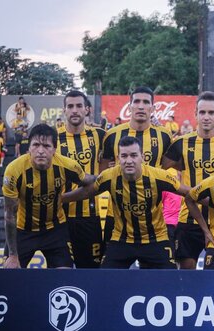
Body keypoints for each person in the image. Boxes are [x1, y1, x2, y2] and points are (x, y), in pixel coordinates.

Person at [63, 136, 190, 269]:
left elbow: (189, 192)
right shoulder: (109, 176)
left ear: (143, 157)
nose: (129, 161)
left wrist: (209, 198)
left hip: (156, 238)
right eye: (124, 156)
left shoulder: (159, 176)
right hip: (122, 239)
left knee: (169, 282)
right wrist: (60, 199)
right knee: (104, 281)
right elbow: (86, 192)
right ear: (118, 158)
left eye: (134, 155)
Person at [162, 91, 214, 270]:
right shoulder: (181, 144)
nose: (206, 117)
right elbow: (158, 169)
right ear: (195, 114)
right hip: (189, 218)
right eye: (202, 112)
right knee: (186, 267)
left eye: (211, 113)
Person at [2, 124, 94, 269]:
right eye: (36, 145)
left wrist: (65, 198)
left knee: (64, 277)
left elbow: (90, 184)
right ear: (29, 148)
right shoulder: (14, 171)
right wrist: (13, 255)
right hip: (23, 230)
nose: (40, 151)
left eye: (46, 146)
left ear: (54, 150)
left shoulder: (68, 166)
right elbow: (9, 215)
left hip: (55, 229)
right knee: (11, 272)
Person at [101, 86, 172, 246]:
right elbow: (102, 171)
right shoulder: (112, 135)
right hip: (117, 216)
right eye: (137, 102)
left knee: (155, 271)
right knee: (110, 271)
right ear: (130, 105)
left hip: (153, 217)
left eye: (146, 102)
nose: (141, 106)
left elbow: (166, 169)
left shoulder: (164, 136)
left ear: (153, 108)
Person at [57, 90, 106, 268]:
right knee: (62, 271)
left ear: (87, 110)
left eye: (79, 106)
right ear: (64, 110)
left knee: (91, 273)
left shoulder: (99, 135)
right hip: (61, 218)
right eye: (70, 106)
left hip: (90, 217)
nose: (75, 110)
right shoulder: (54, 138)